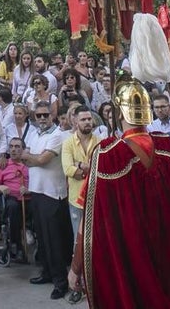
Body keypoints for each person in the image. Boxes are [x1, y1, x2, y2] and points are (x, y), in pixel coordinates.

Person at [69, 76, 170, 309]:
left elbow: (89, 223)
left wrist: (76, 267)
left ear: (120, 113)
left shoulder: (108, 155)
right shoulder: (167, 148)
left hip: (132, 261)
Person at [23, 96, 72, 300]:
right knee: (42, 237)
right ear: (35, 116)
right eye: (39, 115)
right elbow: (27, 157)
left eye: (45, 114)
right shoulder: (34, 133)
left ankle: (61, 281)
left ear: (52, 115)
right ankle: (46, 273)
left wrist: (31, 158)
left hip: (53, 192)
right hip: (36, 190)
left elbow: (42, 159)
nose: (42, 118)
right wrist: (33, 158)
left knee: (55, 240)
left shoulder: (58, 136)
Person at [60, 104, 100, 244]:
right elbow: (68, 170)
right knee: (78, 240)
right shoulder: (68, 143)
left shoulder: (100, 142)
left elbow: (101, 168)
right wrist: (88, 170)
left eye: (89, 119)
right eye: (83, 119)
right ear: (76, 122)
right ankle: (78, 267)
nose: (88, 122)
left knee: (96, 239)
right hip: (76, 199)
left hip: (96, 198)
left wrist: (79, 165)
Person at [0, 137, 30, 261]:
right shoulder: (4, 165)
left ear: (23, 150)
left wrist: (29, 190)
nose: (13, 149)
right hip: (10, 200)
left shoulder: (30, 165)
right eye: (11, 146)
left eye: (17, 147)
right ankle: (16, 245)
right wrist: (0, 187)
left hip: (28, 199)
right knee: (13, 207)